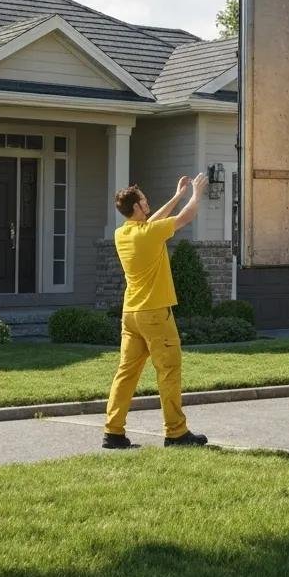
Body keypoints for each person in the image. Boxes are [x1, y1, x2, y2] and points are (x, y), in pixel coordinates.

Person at [102, 173, 209, 449]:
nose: (148, 203)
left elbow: (151, 223)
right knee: (169, 370)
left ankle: (113, 432)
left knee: (126, 373)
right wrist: (196, 194)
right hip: (155, 315)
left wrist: (177, 196)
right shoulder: (149, 234)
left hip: (131, 315)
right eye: (144, 201)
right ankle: (176, 433)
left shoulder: (122, 234)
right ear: (137, 207)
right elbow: (185, 218)